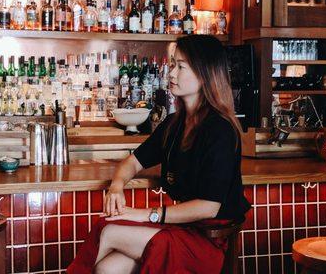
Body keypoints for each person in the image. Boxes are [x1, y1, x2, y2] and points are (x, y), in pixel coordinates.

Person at [67, 34, 251, 274]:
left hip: (207, 241)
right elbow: (132, 162)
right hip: (183, 228)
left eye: (181, 66)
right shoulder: (174, 124)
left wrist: (146, 215)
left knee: (109, 229)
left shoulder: (220, 130)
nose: (171, 73)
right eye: (173, 64)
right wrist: (116, 187)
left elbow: (208, 207)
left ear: (205, 74)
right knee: (108, 269)